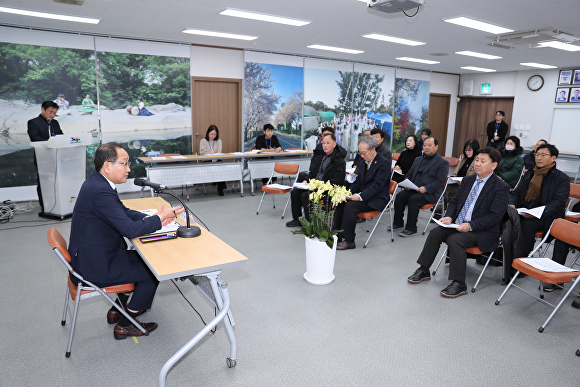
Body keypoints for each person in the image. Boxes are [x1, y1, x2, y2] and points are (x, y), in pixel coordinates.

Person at [68, 142, 184, 340]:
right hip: (93, 265)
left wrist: (154, 217)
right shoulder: (101, 191)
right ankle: (125, 324)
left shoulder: (98, 182)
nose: (129, 169)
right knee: (154, 272)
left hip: (92, 255)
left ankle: (117, 310)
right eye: (125, 163)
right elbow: (128, 230)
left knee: (143, 260)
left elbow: (123, 212)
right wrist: (157, 220)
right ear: (107, 166)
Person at [407, 147, 510, 298]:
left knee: (455, 240)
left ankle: (459, 283)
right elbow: (454, 202)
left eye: (483, 161)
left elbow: (495, 216)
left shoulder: (501, 187)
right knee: (435, 232)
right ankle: (423, 270)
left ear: (493, 165)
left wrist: (471, 225)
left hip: (481, 230)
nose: (477, 164)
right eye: (476, 160)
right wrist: (449, 216)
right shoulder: (468, 180)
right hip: (459, 223)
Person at [509, 143, 570, 258]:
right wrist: (511, 204)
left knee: (526, 224)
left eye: (543, 155)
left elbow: (559, 202)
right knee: (503, 218)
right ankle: (500, 254)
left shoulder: (561, 178)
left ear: (553, 158)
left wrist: (537, 213)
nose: (539, 158)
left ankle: (521, 259)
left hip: (545, 216)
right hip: (523, 211)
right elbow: (516, 192)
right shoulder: (530, 173)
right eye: (537, 155)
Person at [334, 136, 391, 250]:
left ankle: (350, 241)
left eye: (364, 153)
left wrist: (359, 196)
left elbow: (377, 186)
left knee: (350, 206)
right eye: (360, 153)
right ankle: (337, 236)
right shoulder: (363, 162)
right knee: (341, 202)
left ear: (373, 149)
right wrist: (347, 193)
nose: (362, 156)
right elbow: (358, 181)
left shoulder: (383, 163)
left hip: (377, 199)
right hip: (365, 195)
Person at [391, 137, 449, 237]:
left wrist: (425, 188)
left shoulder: (442, 163)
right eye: (425, 145)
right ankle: (398, 223)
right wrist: (406, 184)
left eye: (429, 145)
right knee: (400, 195)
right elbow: (409, 175)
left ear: (436, 147)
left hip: (429, 193)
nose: (426, 147)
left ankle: (411, 228)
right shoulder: (418, 159)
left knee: (414, 199)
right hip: (414, 189)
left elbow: (439, 182)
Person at [286, 133, 346, 227]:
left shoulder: (339, 160)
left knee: (305, 195)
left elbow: (338, 180)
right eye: (323, 143)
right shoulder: (320, 156)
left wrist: (321, 186)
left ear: (334, 144)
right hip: (314, 186)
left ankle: (309, 224)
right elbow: (312, 173)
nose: (325, 145)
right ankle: (297, 219)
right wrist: (306, 180)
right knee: (295, 192)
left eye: (328, 143)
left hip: (327, 190)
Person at [27, 101, 64, 214]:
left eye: (54, 113)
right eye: (50, 112)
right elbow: (34, 138)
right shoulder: (33, 122)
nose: (52, 115)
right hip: (42, 157)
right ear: (43, 109)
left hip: (57, 157)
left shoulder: (55, 123)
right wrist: (50, 142)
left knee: (58, 181)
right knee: (44, 182)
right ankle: (46, 207)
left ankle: (58, 203)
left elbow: (61, 136)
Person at [444, 139, 479, 206]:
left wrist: (463, 182)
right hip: (456, 183)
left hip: (466, 186)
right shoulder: (463, 159)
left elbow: (476, 177)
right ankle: (440, 207)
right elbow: (455, 173)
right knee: (443, 187)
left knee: (447, 194)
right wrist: (453, 178)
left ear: (475, 149)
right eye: (466, 150)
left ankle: (440, 208)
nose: (467, 152)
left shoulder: (477, 161)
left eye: (469, 150)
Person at [200, 124, 227, 196]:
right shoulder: (203, 141)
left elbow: (219, 152)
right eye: (211, 134)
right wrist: (208, 152)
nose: (213, 136)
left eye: (215, 134)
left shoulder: (219, 141)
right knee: (216, 167)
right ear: (208, 133)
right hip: (207, 160)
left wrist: (216, 158)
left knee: (220, 165)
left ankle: (220, 188)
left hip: (216, 160)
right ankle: (217, 182)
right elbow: (201, 153)